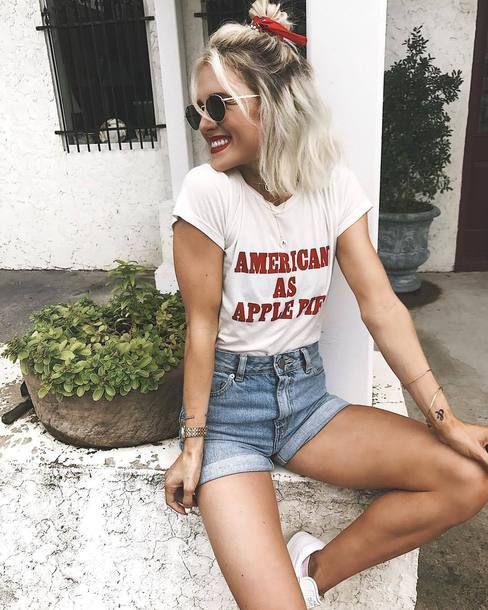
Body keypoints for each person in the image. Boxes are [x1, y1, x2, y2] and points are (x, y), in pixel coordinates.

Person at [164, 1, 488, 608]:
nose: (204, 123)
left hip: (306, 399)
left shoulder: (333, 185)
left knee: (467, 480)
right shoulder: (207, 193)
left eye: (218, 105)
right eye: (196, 110)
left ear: (274, 103)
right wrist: (193, 444)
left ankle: (313, 568)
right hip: (232, 414)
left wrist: (443, 417)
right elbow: (201, 327)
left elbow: (380, 305)